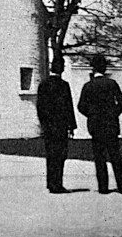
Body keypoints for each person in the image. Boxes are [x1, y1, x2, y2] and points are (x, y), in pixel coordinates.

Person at [78, 55, 122, 195]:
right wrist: (115, 113)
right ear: (104, 68)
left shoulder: (88, 86)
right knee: (115, 156)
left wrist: (91, 115)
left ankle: (103, 187)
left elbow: (81, 106)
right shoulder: (111, 83)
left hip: (96, 124)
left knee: (99, 157)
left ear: (93, 68)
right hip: (111, 123)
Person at [37, 58, 77, 193]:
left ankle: (50, 182)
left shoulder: (43, 84)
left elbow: (40, 107)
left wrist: (43, 123)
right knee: (60, 155)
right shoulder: (63, 85)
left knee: (50, 154)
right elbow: (68, 106)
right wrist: (72, 125)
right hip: (61, 125)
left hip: (49, 126)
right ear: (62, 68)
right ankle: (57, 184)